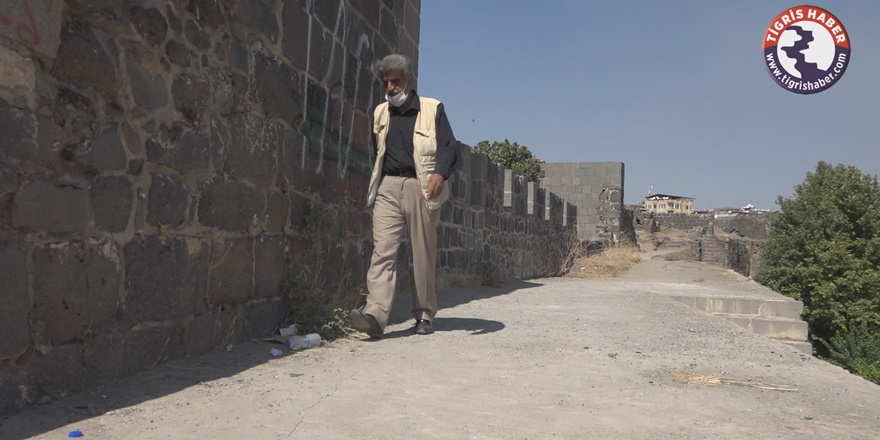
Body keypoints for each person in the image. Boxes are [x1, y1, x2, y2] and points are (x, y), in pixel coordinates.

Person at [349, 54, 458, 338]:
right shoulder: (380, 112)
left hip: (420, 186)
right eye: (385, 82)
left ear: (410, 81)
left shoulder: (433, 108)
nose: (390, 87)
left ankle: (424, 314)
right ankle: (375, 315)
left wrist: (440, 174)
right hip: (388, 186)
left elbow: (449, 147)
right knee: (382, 251)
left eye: (395, 81)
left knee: (422, 253)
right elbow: (377, 150)